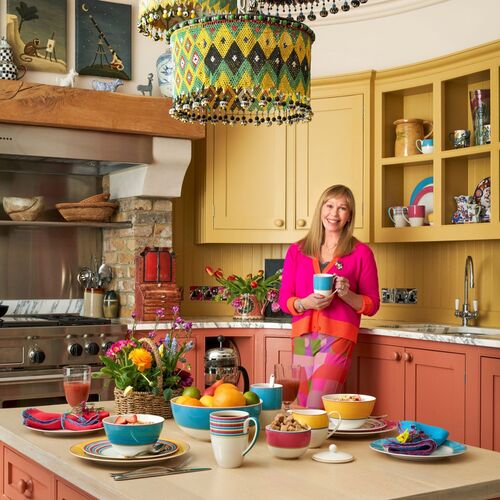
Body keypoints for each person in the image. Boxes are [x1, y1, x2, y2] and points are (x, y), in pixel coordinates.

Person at [278, 184, 380, 409]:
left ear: (349, 215)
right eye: (330, 205)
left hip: (338, 338)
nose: (334, 213)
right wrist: (304, 303)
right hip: (303, 336)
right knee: (298, 405)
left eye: (342, 208)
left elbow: (372, 304)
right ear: (321, 209)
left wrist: (346, 294)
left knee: (316, 405)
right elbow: (284, 299)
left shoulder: (361, 253)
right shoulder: (297, 251)